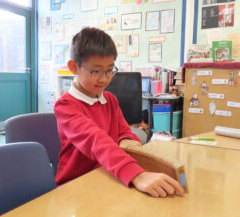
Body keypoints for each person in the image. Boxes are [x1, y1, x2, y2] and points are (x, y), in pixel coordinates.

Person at [54, 27, 184, 198]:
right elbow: (96, 141)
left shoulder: (109, 99)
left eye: (109, 70)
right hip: (76, 183)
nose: (104, 79)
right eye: (95, 71)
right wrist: (137, 174)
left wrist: (130, 142)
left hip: (107, 172)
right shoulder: (65, 106)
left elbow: (124, 132)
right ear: (74, 67)